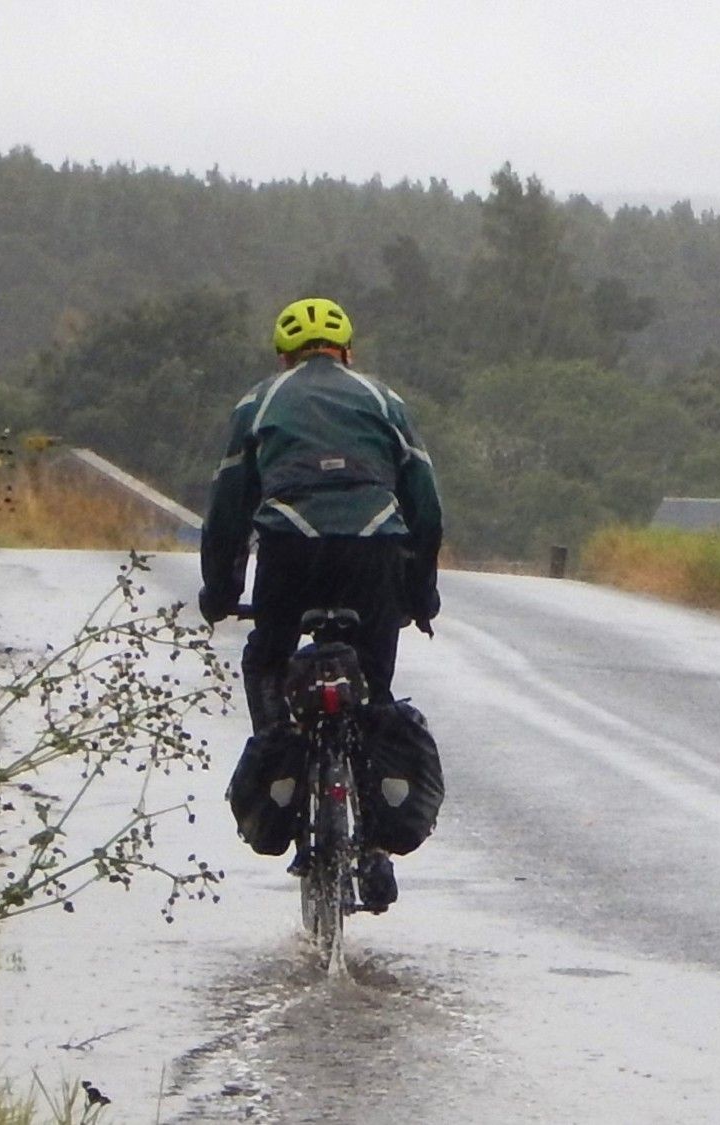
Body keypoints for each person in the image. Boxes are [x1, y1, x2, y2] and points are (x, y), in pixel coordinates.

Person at [197, 298, 442, 903]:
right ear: (348, 351)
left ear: (283, 357)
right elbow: (426, 504)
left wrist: (221, 591)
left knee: (268, 659)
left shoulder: (260, 402)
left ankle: (281, 764)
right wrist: (420, 594)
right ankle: (377, 847)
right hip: (373, 554)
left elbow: (228, 507)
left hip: (291, 552)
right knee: (374, 690)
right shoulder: (385, 401)